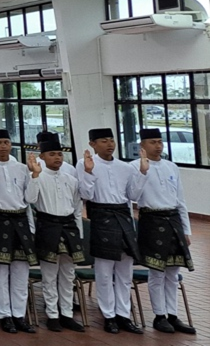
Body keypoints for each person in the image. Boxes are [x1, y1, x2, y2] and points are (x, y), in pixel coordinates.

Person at [131, 128, 195, 334]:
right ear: (142, 145)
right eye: (153, 142)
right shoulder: (133, 167)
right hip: (151, 219)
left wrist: (186, 229)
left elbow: (181, 200)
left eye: (160, 141)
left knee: (173, 272)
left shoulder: (171, 166)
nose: (158, 146)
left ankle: (173, 315)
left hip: (173, 220)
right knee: (156, 272)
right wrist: (142, 171)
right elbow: (133, 195)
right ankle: (159, 316)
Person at [79, 127, 144, 334]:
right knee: (104, 272)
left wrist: (142, 173)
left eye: (111, 140)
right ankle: (109, 316)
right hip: (101, 217)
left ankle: (123, 315)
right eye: (104, 141)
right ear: (92, 144)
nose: (109, 144)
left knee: (125, 271)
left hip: (123, 217)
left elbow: (133, 195)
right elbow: (85, 194)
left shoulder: (125, 167)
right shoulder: (85, 164)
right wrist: (88, 172)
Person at [0, 129, 38, 333]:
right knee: (0, 274)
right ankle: (4, 316)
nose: (3, 146)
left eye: (6, 141)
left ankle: (19, 315)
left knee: (21, 273)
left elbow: (30, 199)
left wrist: (35, 176)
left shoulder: (22, 168)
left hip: (20, 221)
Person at [26, 139, 85, 333]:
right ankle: (52, 315)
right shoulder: (37, 176)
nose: (57, 158)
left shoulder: (71, 180)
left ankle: (67, 314)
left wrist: (79, 234)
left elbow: (77, 209)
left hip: (68, 228)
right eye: (52, 154)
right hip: (48, 226)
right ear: (42, 157)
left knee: (68, 274)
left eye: (59, 154)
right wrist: (34, 176)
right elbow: (30, 199)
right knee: (49, 275)